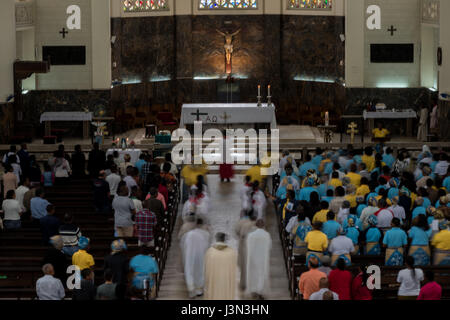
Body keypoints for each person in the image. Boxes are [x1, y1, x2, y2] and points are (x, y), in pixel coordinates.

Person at [180, 218, 210, 298]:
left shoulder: (189, 234)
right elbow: (207, 245)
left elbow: (183, 243)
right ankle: (199, 290)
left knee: (190, 269)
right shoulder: (206, 234)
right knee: (200, 270)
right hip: (201, 254)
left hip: (190, 254)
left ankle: (191, 290)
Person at [204, 233, 237, 300]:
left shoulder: (210, 252)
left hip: (214, 280)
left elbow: (207, 270)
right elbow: (233, 271)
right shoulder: (231, 252)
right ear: (224, 239)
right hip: (225, 281)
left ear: (216, 239)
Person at [246, 220, 272, 299]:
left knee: (253, 274)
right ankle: (260, 290)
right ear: (263, 225)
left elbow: (248, 246)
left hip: (253, 257)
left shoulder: (251, 235)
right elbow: (270, 246)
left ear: (256, 226)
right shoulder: (267, 235)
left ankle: (253, 290)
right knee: (261, 274)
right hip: (263, 258)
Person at [234, 210, 257, 290]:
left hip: (243, 246)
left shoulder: (240, 222)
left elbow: (237, 232)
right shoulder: (254, 224)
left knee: (244, 266)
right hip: (253, 248)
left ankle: (243, 284)